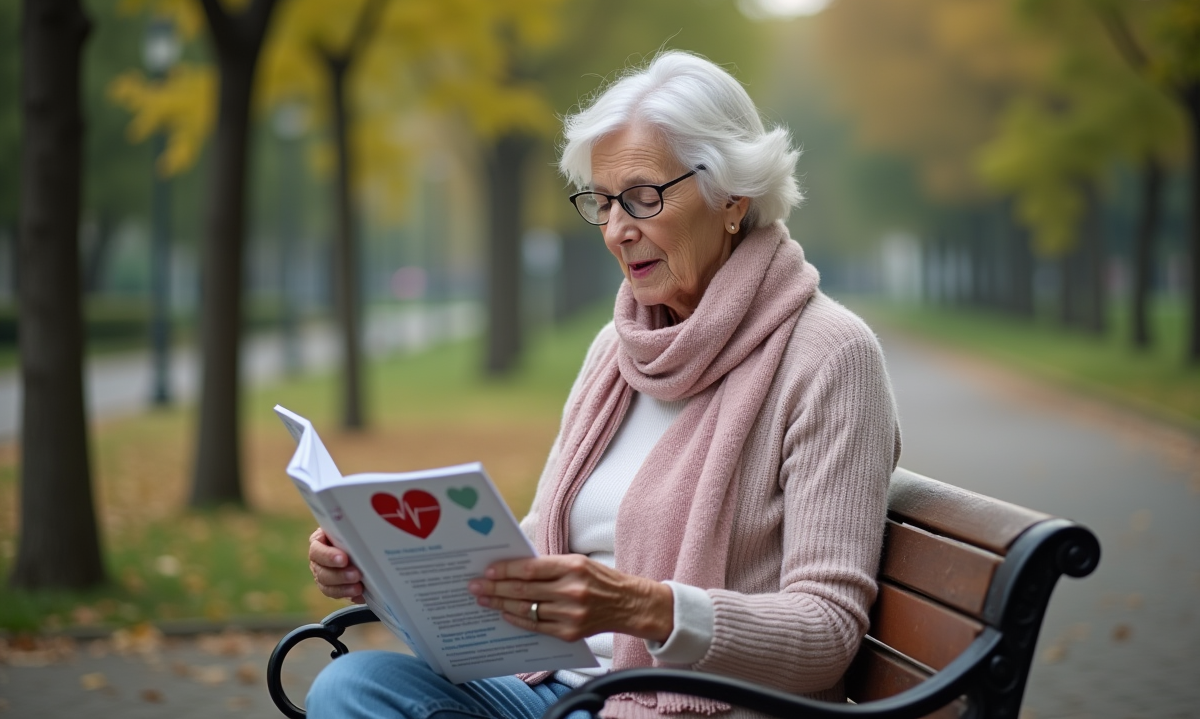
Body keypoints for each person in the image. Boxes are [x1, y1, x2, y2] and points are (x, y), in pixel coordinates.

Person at [305, 51, 901, 719]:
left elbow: (827, 632)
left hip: (686, 707)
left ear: (733, 197)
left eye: (643, 197)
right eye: (602, 201)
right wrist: (383, 567)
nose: (617, 230)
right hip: (553, 688)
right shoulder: (615, 350)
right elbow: (539, 546)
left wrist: (643, 608)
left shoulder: (829, 358)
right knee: (351, 687)